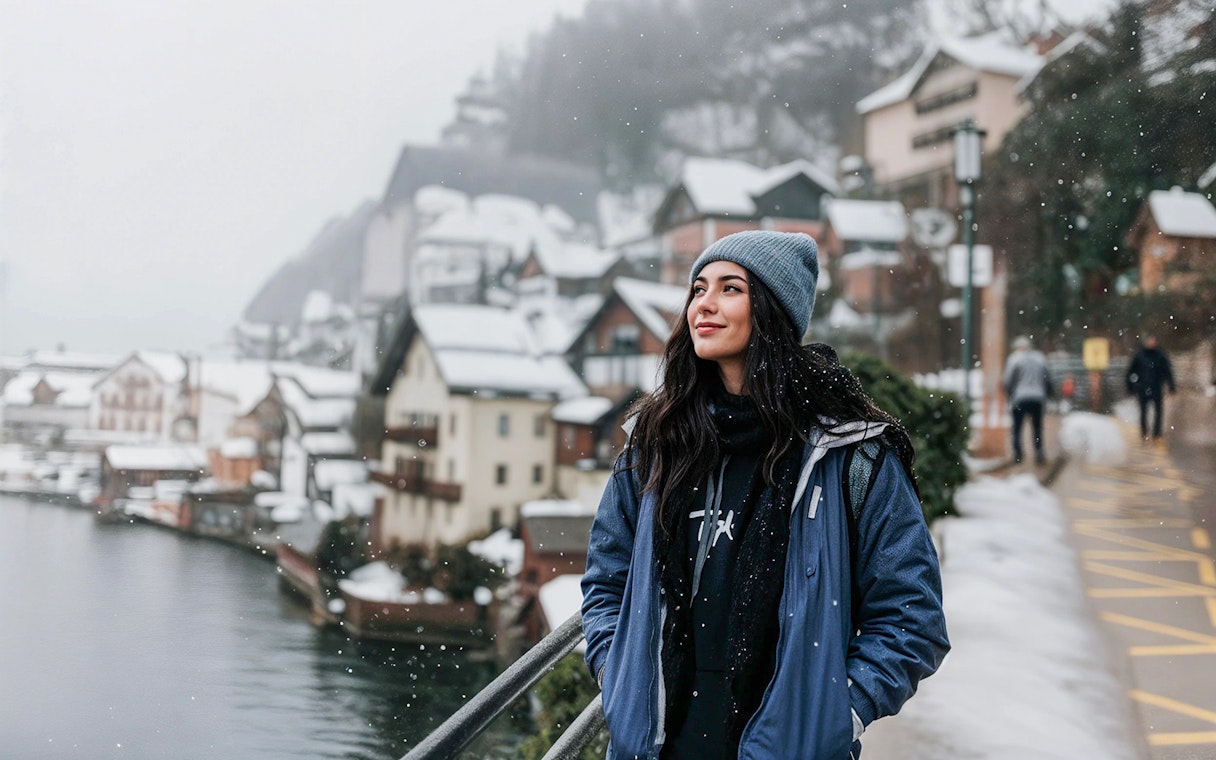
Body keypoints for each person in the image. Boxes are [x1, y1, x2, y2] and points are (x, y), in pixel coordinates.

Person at [580, 231, 949, 760]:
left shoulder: (848, 452)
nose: (703, 304)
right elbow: (606, 579)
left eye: (730, 288)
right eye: (698, 289)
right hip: (656, 748)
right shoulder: (658, 446)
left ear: (773, 311)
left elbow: (913, 616)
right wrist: (619, 675)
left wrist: (835, 710)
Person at [1003, 336, 1052, 465]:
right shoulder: (1040, 358)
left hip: (1020, 398)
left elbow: (1008, 380)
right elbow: (1047, 378)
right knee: (1037, 427)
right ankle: (1039, 451)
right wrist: (1047, 394)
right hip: (1037, 397)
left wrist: (1009, 395)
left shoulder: (1014, 359)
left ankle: (1018, 454)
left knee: (1017, 428)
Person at [1126, 333, 1175, 442]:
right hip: (1142, 388)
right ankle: (1144, 433)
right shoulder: (1139, 355)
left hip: (1157, 388)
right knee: (1144, 412)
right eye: (1150, 340)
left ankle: (1156, 434)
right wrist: (1130, 387)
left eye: (1153, 340)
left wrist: (1171, 386)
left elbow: (1167, 371)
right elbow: (1130, 372)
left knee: (1158, 412)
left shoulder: (1160, 355)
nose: (1152, 343)